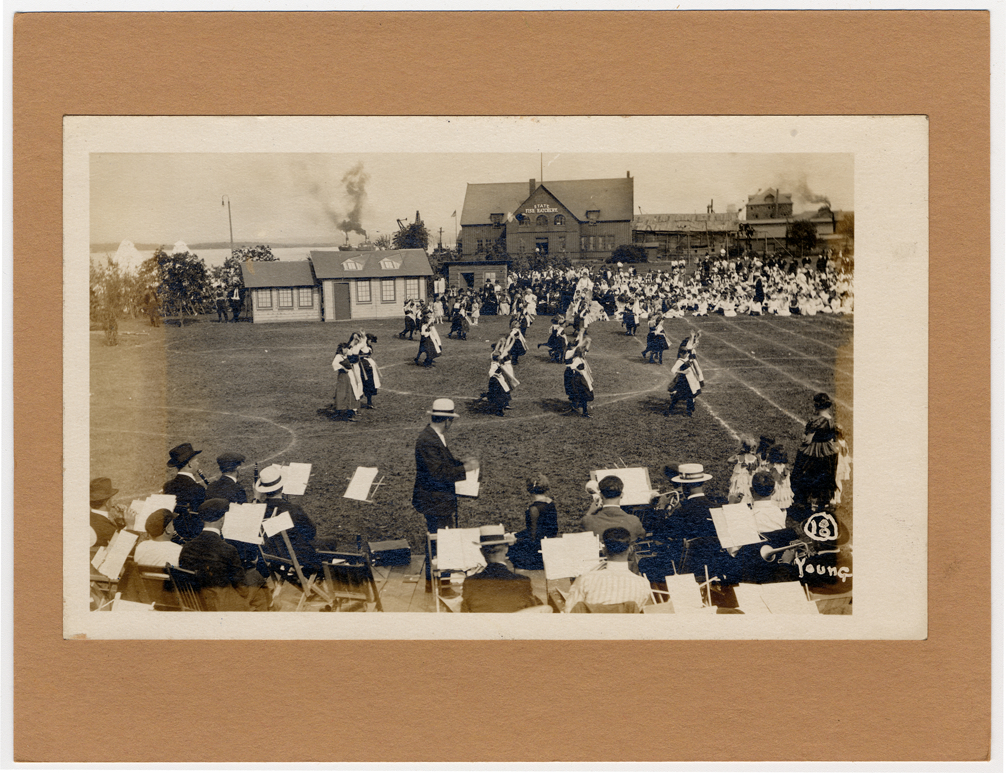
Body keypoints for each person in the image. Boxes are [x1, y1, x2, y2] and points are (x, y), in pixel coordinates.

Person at [412, 398, 477, 592]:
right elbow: (438, 474)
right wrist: (465, 469)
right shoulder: (428, 440)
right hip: (435, 500)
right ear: (447, 420)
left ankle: (439, 582)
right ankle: (438, 584)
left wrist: (459, 462)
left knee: (441, 540)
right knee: (440, 542)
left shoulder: (434, 435)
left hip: (439, 499)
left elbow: (443, 463)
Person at [255, 465, 339, 581]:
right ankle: (322, 578)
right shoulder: (292, 509)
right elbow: (311, 532)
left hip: (274, 557)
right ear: (282, 486)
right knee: (331, 542)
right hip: (297, 556)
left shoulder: (258, 510)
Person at [177, 499, 254, 611]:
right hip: (221, 605)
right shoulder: (228, 549)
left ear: (202, 519)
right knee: (257, 580)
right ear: (222, 519)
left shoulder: (187, 547)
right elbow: (243, 590)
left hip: (196, 602)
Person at [564, 528, 654, 613]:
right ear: (630, 549)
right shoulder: (643, 584)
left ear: (603, 550)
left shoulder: (586, 579)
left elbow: (569, 611)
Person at [460, 525, 542, 613]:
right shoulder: (522, 581)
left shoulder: (470, 582)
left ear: (482, 552)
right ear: (506, 549)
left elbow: (464, 614)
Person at [791, 392, 842, 509]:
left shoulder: (816, 420)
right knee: (826, 476)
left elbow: (808, 440)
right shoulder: (831, 419)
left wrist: (803, 438)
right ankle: (824, 501)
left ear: (816, 405)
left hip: (814, 452)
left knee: (809, 474)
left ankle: (808, 501)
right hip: (828, 451)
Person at [510, 473, 559, 570]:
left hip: (537, 553)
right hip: (549, 545)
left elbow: (533, 536)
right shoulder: (550, 503)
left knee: (509, 550)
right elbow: (541, 528)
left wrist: (516, 539)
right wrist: (517, 535)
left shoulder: (534, 509)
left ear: (529, 490)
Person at [163, 442, 206, 519]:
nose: (198, 463)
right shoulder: (198, 489)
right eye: (196, 461)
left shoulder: (167, 486)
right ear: (190, 464)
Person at [665, 332, 703, 417]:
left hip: (690, 380)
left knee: (690, 395)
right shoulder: (680, 360)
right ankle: (670, 409)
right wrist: (683, 372)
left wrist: (696, 337)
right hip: (683, 380)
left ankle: (689, 411)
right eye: (686, 353)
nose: (687, 354)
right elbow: (673, 370)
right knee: (678, 396)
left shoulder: (688, 358)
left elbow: (691, 347)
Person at [331, 343, 362, 421]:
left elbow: (353, 352)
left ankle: (349, 412)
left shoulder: (346, 355)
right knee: (345, 392)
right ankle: (343, 412)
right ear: (341, 349)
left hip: (349, 376)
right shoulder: (338, 356)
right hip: (344, 377)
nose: (346, 350)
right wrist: (343, 368)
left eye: (346, 348)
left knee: (351, 392)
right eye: (344, 348)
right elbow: (334, 364)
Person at [89, 477, 122, 550]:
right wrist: (130, 525)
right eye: (111, 499)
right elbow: (125, 550)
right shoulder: (105, 527)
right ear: (107, 503)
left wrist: (121, 521)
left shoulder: (89, 517)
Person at [563, 349, 594, 418]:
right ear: (580, 353)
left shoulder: (581, 359)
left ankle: (580, 409)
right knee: (584, 395)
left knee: (584, 396)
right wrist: (579, 371)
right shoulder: (577, 359)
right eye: (583, 353)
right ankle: (584, 412)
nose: (584, 354)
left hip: (583, 379)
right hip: (580, 380)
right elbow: (572, 366)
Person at [356, 333, 381, 410]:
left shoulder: (368, 347)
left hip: (369, 366)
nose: (370, 342)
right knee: (361, 382)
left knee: (370, 383)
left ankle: (369, 402)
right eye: (370, 340)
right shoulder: (360, 346)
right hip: (362, 366)